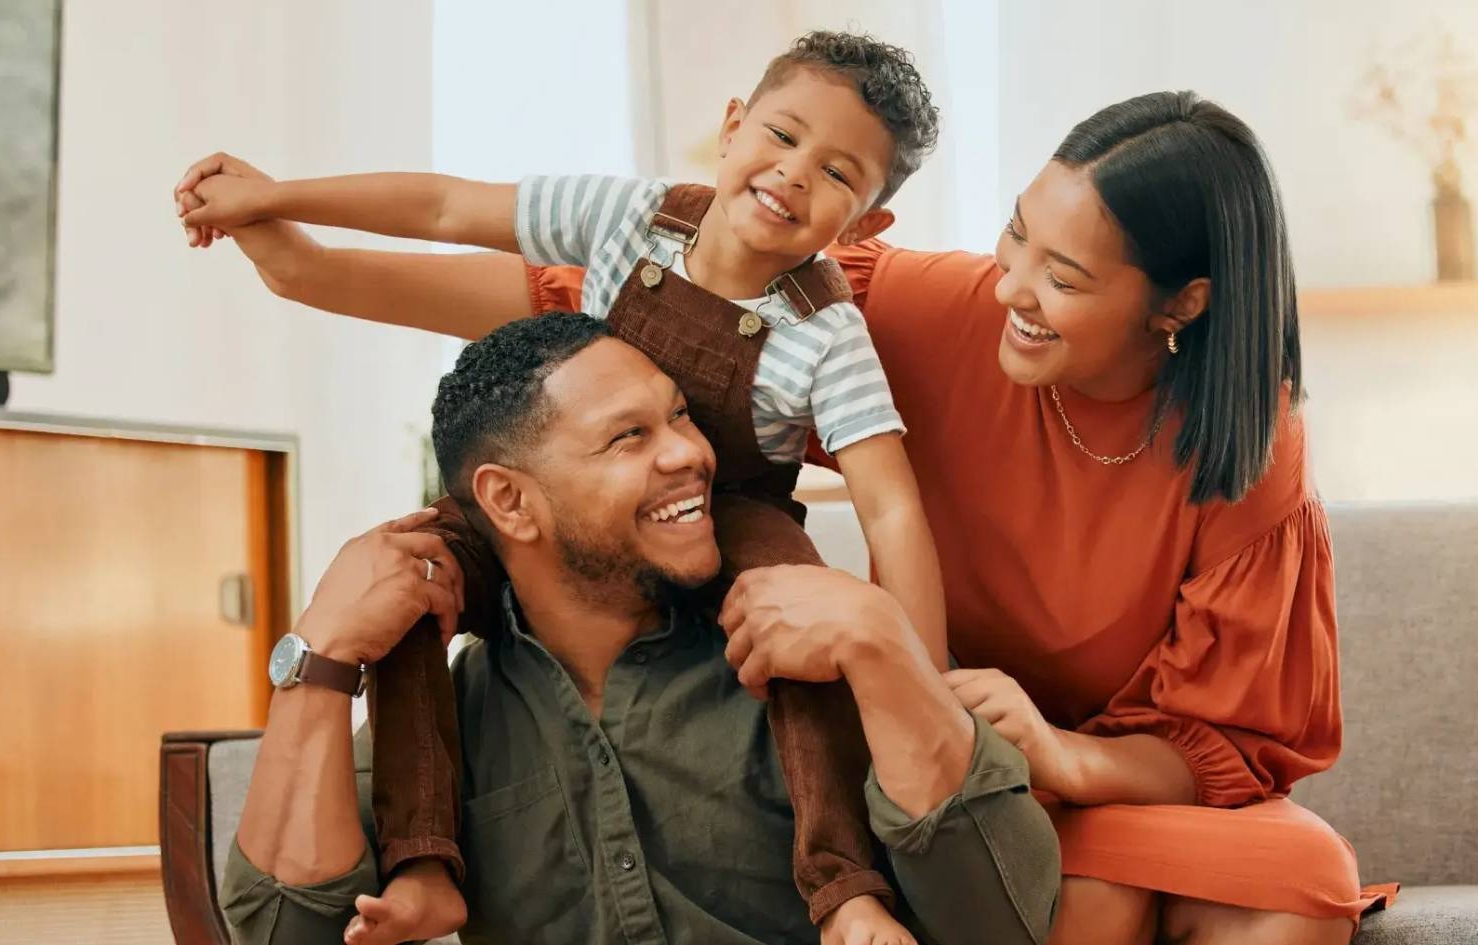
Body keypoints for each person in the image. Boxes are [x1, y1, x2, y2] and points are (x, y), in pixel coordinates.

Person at [191, 91, 1399, 940]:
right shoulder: (917, 311)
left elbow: (1231, 740)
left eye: (1065, 279)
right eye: (1016, 237)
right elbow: (612, 315)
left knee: (1296, 879)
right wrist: (300, 263)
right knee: (1089, 901)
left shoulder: (1246, 450)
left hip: (1059, 765)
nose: (1013, 291)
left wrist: (1050, 748)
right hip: (929, 753)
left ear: (1180, 304)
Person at [175, 31, 945, 945]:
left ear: (864, 226)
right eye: (782, 135)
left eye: (838, 174)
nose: (793, 173)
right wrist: (276, 197)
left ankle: (845, 884)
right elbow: (445, 205)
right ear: (734, 124)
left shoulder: (827, 334)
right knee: (407, 576)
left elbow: (892, 507)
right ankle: (422, 860)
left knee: (807, 638)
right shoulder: (631, 215)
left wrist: (923, 676)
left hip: (731, 509)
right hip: (568, 479)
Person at [219, 313, 1060, 945]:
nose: (690, 453)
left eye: (681, 415)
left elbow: (1004, 920)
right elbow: (283, 931)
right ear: (510, 501)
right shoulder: (443, 726)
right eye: (629, 437)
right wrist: (318, 658)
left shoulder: (821, 658)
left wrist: (882, 639)